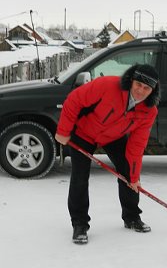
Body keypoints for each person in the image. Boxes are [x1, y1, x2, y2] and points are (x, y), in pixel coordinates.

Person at [55, 64, 161, 244]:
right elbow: (74, 100)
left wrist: (134, 177)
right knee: (80, 176)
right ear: (131, 81)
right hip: (84, 133)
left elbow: (137, 146)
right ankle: (79, 223)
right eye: (138, 84)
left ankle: (132, 216)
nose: (141, 91)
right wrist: (64, 132)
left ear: (152, 91)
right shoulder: (107, 86)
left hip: (112, 136)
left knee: (127, 172)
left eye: (147, 88)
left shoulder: (149, 112)